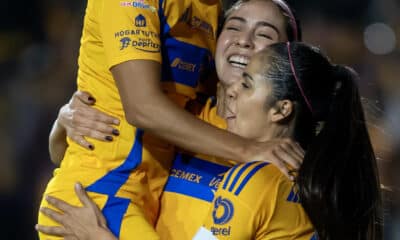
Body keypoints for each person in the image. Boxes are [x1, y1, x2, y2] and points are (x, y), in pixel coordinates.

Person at [38, 42, 382, 239]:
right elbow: (70, 151)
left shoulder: (254, 180)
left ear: (282, 109)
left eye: (247, 83)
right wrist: (66, 119)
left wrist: (98, 238)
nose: (233, 88)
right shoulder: (308, 172)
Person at [38, 0, 304, 239]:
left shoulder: (278, 166)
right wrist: (65, 122)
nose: (244, 41)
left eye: (265, 34)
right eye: (234, 27)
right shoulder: (190, 120)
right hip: (102, 206)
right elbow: (91, 145)